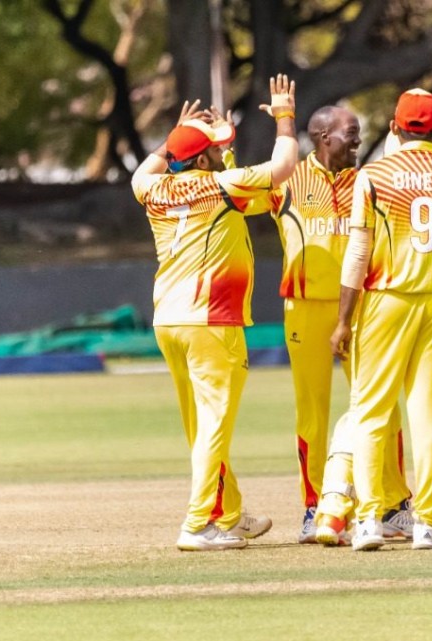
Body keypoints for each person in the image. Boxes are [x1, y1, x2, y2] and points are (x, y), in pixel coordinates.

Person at [130, 75, 299, 551]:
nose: (223, 152)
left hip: (169, 319)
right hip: (211, 319)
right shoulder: (222, 185)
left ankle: (227, 512)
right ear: (202, 160)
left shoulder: (152, 189)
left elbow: (142, 172)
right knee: (213, 426)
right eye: (216, 149)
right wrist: (285, 117)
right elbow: (284, 165)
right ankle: (197, 524)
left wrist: (174, 138)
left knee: (200, 425)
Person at [330, 89, 432, 551]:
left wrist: (343, 320)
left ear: (395, 128)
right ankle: (428, 523)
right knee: (430, 415)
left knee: (371, 412)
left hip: (385, 300)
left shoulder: (373, 175)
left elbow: (358, 254)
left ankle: (368, 521)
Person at [250, 106, 412, 544]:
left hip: (361, 308)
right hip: (304, 308)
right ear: (324, 137)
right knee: (313, 411)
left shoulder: (366, 180)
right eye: (351, 133)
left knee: (382, 408)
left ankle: (394, 505)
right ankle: (314, 507)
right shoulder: (287, 180)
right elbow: (238, 195)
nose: (358, 141)